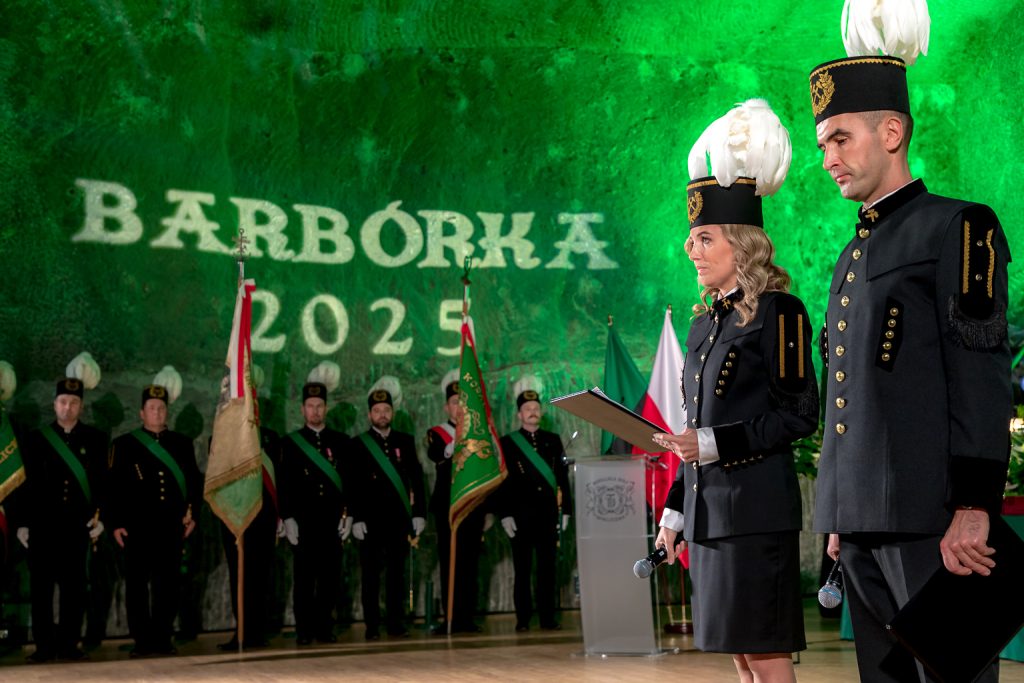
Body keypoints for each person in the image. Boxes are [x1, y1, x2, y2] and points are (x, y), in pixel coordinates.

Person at [808, 5, 1011, 681]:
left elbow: (980, 377)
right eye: (822, 145)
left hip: (935, 522)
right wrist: (840, 511)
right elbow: (848, 394)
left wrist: (975, 505)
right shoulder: (850, 255)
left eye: (840, 139)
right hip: (862, 522)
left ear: (891, 132)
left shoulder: (959, 227)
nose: (828, 159)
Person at [653, 99, 816, 683]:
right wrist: (675, 514)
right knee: (741, 659)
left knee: (765, 658)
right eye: (691, 239)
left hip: (755, 514)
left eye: (704, 238)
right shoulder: (704, 324)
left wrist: (713, 444)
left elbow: (800, 415)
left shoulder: (780, 312)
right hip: (708, 516)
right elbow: (693, 432)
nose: (691, 250)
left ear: (741, 245)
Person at [16, 356, 108, 663]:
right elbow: (25, 485)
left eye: (73, 402)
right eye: (62, 402)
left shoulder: (95, 440)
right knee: (41, 590)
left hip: (76, 526)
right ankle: (44, 647)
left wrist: (101, 518)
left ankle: (69, 645)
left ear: (81, 406)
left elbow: (102, 483)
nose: (67, 407)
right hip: (43, 525)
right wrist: (22, 523)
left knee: (74, 589)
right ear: (54, 405)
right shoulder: (36, 439)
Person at [109, 369, 202, 657]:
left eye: (162, 408)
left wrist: (193, 514)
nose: (157, 412)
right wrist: (115, 523)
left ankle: (162, 638)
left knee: (167, 585)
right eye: (152, 408)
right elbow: (113, 488)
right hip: (136, 527)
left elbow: (194, 483)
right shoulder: (124, 445)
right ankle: (142, 640)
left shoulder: (182, 444)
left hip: (170, 526)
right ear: (142, 413)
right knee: (137, 587)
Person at [349, 379, 426, 640]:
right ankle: (372, 625)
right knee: (370, 576)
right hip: (370, 521)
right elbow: (353, 485)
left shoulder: (405, 441)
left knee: (396, 575)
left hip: (398, 519)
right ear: (369, 414)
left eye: (386, 410)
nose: (382, 415)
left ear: (392, 412)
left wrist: (419, 514)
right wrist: (356, 518)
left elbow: (417, 479)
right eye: (377, 410)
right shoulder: (358, 444)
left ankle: (396, 623)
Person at [278, 371, 349, 646]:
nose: (315, 410)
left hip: (331, 520)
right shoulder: (290, 443)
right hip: (304, 520)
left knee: (330, 579)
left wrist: (348, 514)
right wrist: (287, 517)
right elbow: (284, 483)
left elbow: (349, 482)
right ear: (302, 409)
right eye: (310, 406)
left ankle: (324, 628)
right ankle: (304, 630)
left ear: (326, 408)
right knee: (304, 579)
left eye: (319, 406)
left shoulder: (341, 442)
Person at [496, 383, 572, 632]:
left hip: (547, 515)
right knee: (522, 570)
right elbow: (502, 482)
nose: (532, 412)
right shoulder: (508, 443)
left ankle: (547, 618)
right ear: (519, 414)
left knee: (547, 570)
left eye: (536, 408)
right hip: (520, 516)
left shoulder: (553, 440)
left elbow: (562, 478)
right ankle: (523, 619)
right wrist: (505, 514)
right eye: (528, 408)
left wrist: (566, 510)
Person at [427, 370, 486, 635]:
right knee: (449, 562)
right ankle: (450, 617)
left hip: (472, 506)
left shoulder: (479, 433)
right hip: (447, 507)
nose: (457, 407)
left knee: (470, 563)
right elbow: (435, 453)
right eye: (453, 402)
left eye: (462, 403)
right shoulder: (437, 433)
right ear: (446, 407)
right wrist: (457, 441)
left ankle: (466, 617)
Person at [216, 424, 280, 651]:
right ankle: (242, 632)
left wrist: (281, 515)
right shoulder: (221, 435)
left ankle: (257, 633)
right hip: (235, 518)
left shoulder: (270, 437)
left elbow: (279, 477)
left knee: (261, 577)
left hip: (264, 518)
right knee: (239, 576)